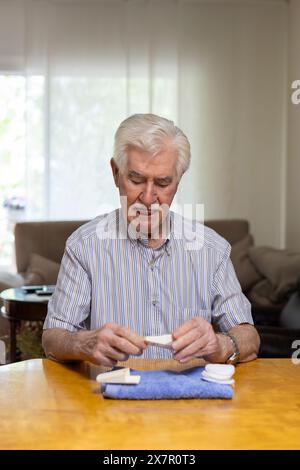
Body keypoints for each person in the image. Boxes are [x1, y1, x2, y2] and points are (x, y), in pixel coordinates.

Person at [42, 113, 260, 367]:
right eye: (136, 179)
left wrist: (221, 344)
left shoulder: (212, 249)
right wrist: (84, 343)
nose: (148, 198)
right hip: (108, 401)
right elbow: (52, 339)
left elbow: (250, 338)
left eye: (163, 182)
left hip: (191, 401)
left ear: (178, 182)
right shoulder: (83, 246)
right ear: (115, 173)